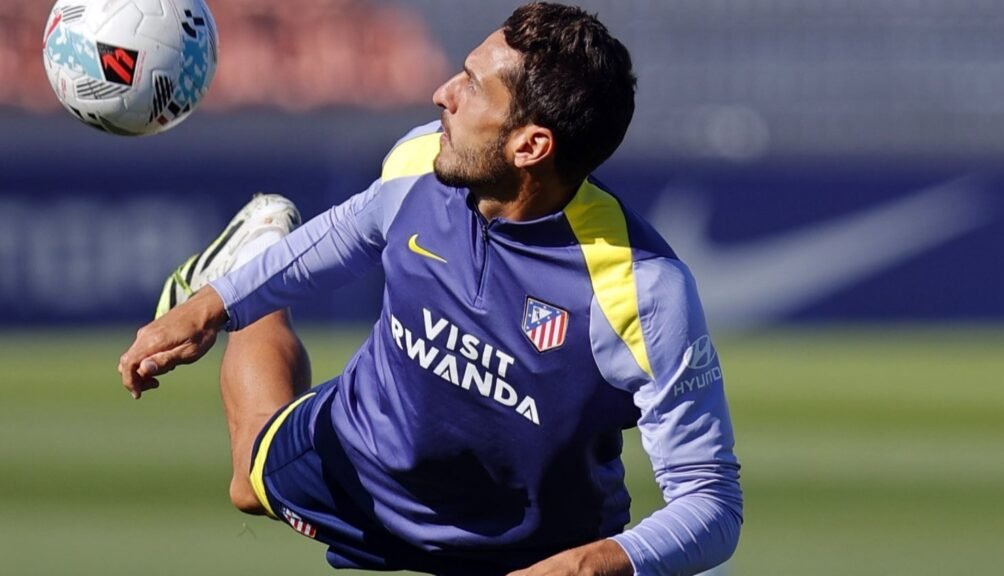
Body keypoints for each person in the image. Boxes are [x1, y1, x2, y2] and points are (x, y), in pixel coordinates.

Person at [118, 3, 742, 575]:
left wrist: (583, 567)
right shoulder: (423, 161)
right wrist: (212, 303)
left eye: (472, 86)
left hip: (534, 548)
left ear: (531, 146)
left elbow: (710, 503)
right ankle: (253, 250)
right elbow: (346, 232)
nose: (441, 93)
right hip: (365, 465)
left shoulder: (643, 291)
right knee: (246, 486)